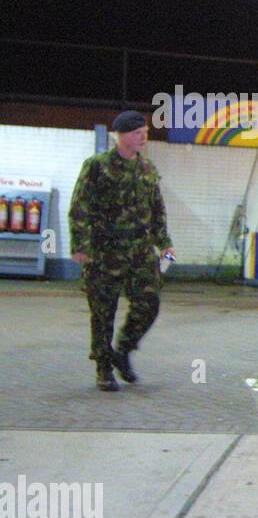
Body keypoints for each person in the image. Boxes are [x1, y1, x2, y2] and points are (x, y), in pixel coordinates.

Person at [69, 110, 176, 392]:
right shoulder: (97, 166)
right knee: (103, 311)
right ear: (121, 135)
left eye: (146, 132)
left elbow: (157, 209)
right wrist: (80, 244)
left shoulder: (147, 169)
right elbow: (79, 206)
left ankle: (123, 351)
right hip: (105, 250)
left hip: (140, 250)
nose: (143, 137)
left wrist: (164, 242)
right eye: (137, 133)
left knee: (149, 303)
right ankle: (104, 367)